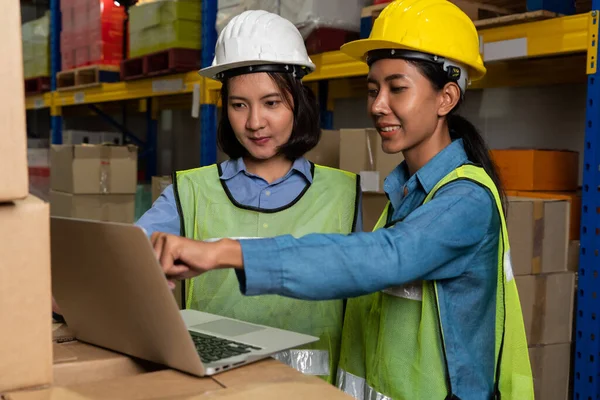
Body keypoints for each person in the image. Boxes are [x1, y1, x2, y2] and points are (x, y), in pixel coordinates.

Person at [150, 0, 535, 399]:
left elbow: (383, 257)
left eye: (397, 89)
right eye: (373, 90)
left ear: (446, 98)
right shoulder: (407, 195)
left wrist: (227, 252)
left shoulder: (464, 200)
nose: (377, 105)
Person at [135, 10, 362, 384]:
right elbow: (127, 264)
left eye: (272, 103)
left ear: (298, 104)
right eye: (239, 105)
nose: (254, 122)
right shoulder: (190, 192)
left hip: (309, 393)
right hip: (218, 389)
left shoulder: (343, 194)